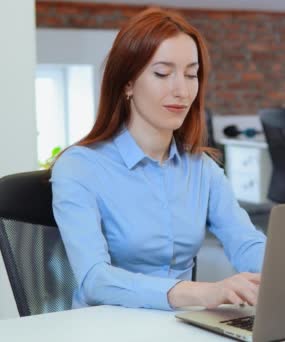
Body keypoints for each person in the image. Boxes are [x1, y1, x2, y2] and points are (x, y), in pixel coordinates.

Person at [50, 8, 266, 311]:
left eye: (191, 74)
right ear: (127, 83)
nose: (181, 90)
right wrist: (200, 293)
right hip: (107, 328)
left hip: (181, 326)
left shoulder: (202, 169)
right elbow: (95, 279)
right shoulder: (79, 168)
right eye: (163, 73)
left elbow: (245, 242)